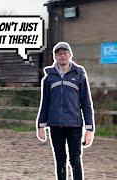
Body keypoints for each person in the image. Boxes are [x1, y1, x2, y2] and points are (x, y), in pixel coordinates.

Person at [36, 42, 95, 180]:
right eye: (59, 54)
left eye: (65, 53)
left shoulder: (79, 75)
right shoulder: (48, 78)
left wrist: (89, 129)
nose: (62, 56)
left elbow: (86, 103)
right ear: (55, 57)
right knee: (60, 160)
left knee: (75, 160)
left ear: (70, 55)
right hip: (55, 125)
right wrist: (40, 125)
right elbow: (44, 103)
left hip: (74, 125)